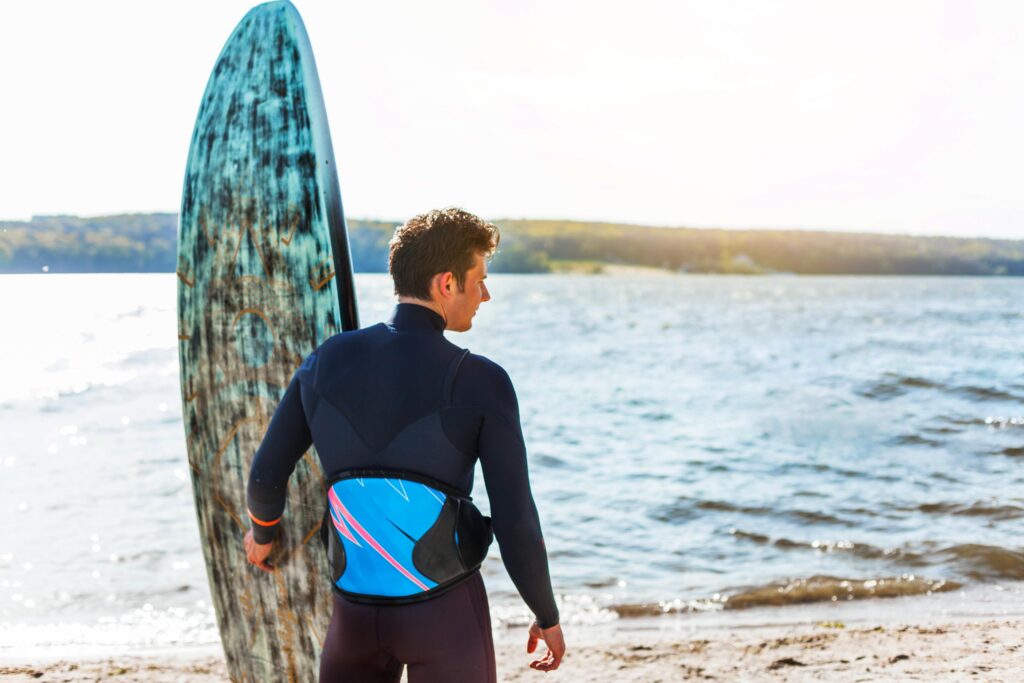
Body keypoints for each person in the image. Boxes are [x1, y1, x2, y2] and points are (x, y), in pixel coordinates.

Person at [243, 207, 566, 682]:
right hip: (445, 615)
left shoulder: (326, 360)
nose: (485, 294)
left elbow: (266, 474)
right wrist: (546, 614)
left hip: (353, 618)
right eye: (478, 280)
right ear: (446, 283)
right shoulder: (482, 381)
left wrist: (263, 537)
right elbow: (517, 522)